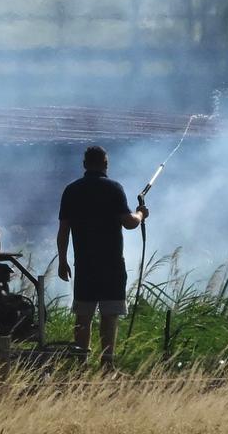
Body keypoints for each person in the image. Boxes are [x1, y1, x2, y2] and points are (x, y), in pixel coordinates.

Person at [57, 145, 149, 368]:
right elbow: (129, 223)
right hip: (111, 265)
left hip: (85, 266)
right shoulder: (113, 188)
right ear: (105, 164)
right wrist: (141, 214)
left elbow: (63, 230)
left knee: (83, 316)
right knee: (109, 316)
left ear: (84, 165)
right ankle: (107, 365)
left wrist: (62, 261)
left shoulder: (71, 190)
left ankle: (81, 364)